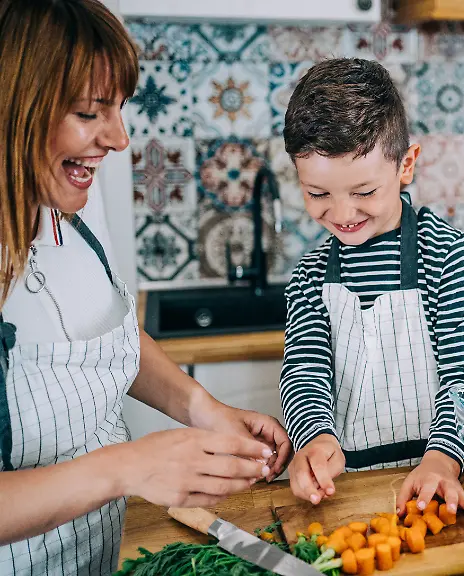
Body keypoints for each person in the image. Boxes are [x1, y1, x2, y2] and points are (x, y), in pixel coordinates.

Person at [0, 1, 293, 573]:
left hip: (99, 555)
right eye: (90, 112)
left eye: (118, 108)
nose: (119, 138)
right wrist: (127, 467)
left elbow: (109, 340)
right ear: (15, 108)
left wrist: (201, 407)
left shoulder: (74, 205)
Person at [279, 58, 464, 524]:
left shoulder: (447, 257)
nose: (342, 212)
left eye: (363, 191)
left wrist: (441, 460)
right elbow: (305, 370)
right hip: (348, 490)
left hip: (443, 482)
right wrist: (314, 437)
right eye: (318, 194)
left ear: (406, 165)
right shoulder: (311, 273)